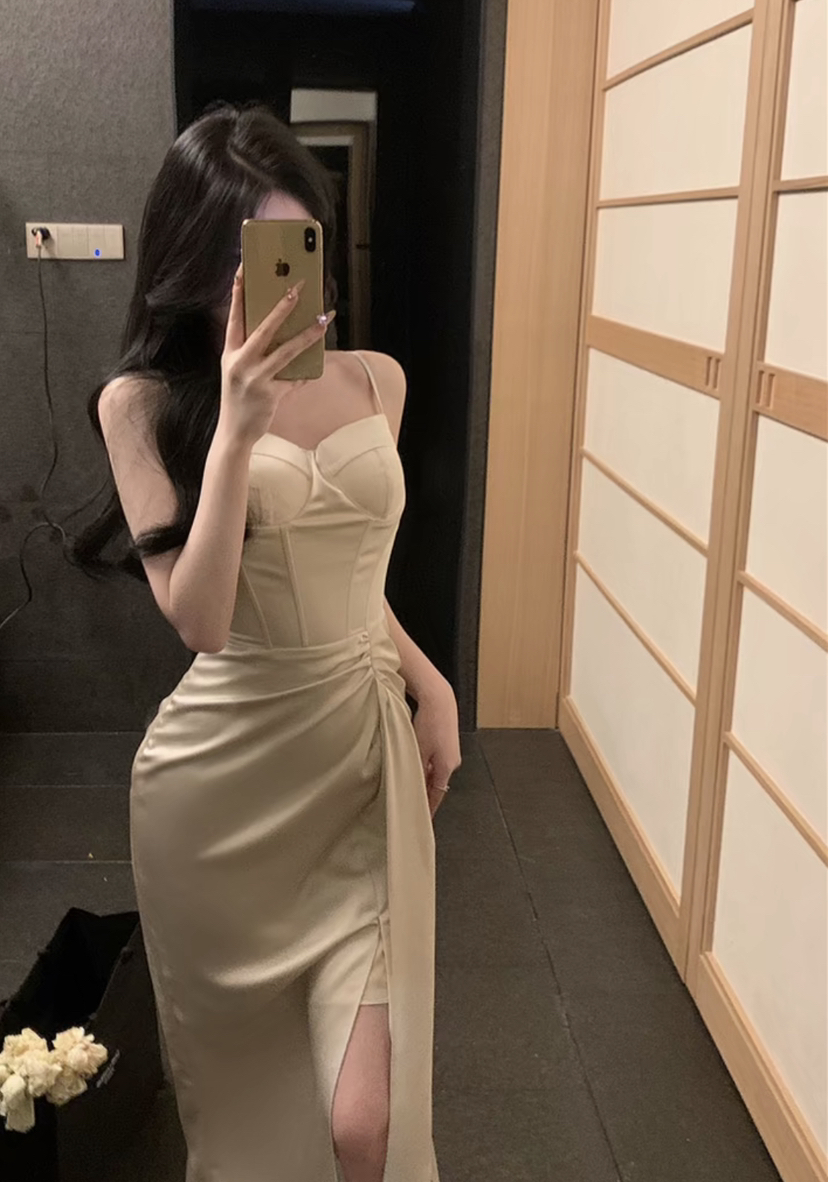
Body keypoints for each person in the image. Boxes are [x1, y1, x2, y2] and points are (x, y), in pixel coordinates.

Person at [71, 101, 461, 1182]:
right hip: (223, 790)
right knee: (248, 1111)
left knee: (364, 1125)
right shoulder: (142, 406)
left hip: (358, 766)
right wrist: (238, 432)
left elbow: (356, 577)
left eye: (302, 248)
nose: (289, 292)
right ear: (197, 269)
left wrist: (433, 686)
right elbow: (198, 620)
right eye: (251, 264)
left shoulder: (378, 380)